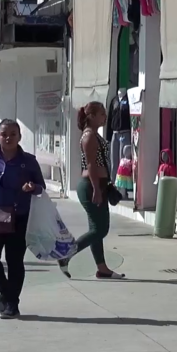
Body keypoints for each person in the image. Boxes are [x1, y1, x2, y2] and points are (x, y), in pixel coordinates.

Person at [0, 119, 45, 319]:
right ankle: (6, 291)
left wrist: (32, 187)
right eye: (4, 134)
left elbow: (41, 187)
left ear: (19, 137)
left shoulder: (29, 160)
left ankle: (11, 304)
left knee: (15, 261)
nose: (8, 138)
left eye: (13, 134)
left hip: (19, 216)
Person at [57, 102, 125, 280]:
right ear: (92, 116)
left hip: (98, 184)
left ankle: (102, 269)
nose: (105, 117)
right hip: (91, 185)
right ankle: (67, 255)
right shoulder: (89, 137)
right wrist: (96, 189)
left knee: (96, 229)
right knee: (100, 230)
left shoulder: (94, 135)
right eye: (101, 114)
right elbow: (91, 165)